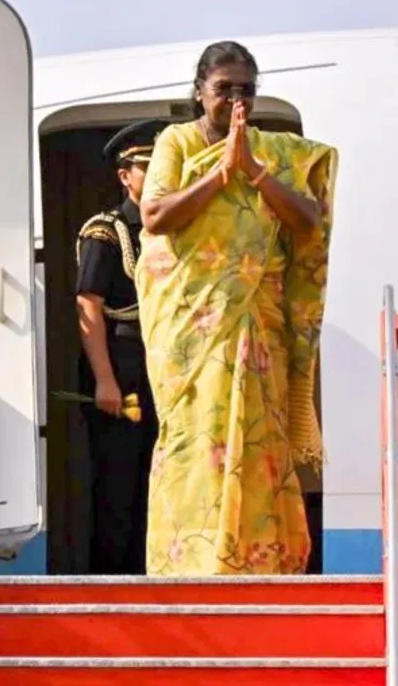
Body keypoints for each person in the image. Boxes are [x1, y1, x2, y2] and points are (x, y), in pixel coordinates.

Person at [136, 41, 338, 576]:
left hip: (257, 323)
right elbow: (155, 215)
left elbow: (309, 220)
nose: (234, 100)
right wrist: (222, 173)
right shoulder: (178, 142)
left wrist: (254, 170)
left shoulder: (274, 151)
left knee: (259, 440)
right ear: (200, 90)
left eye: (245, 90)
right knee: (195, 439)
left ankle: (261, 562)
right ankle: (193, 563)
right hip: (195, 329)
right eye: (223, 89)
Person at [74, 119, 162, 575]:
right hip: (123, 365)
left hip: (164, 368)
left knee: (158, 478)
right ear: (125, 175)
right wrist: (105, 381)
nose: (160, 174)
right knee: (118, 481)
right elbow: (88, 305)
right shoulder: (106, 231)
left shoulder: (172, 228)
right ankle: (112, 583)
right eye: (148, 166)